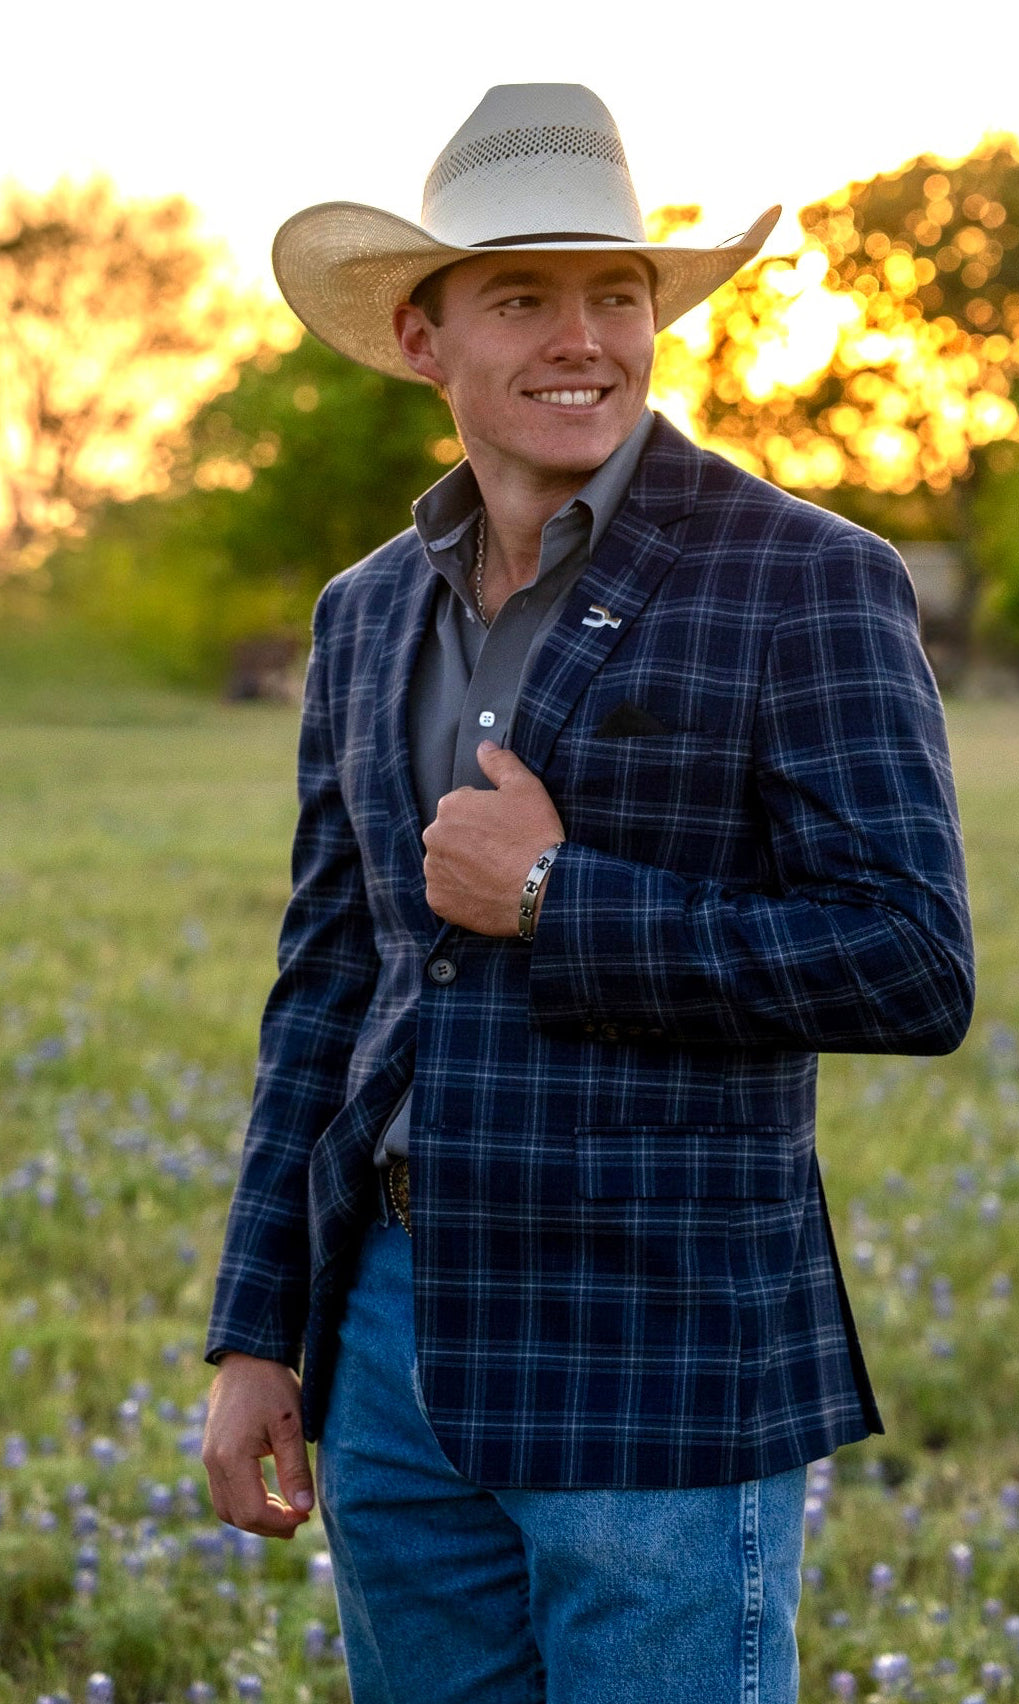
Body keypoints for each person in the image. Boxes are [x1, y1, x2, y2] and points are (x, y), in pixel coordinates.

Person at [202, 82, 974, 1704]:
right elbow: (325, 989)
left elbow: (911, 961)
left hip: (663, 1344)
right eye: (524, 297)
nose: (586, 340)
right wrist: (259, 1329)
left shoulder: (806, 576)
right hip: (396, 1334)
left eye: (616, 295)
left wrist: (556, 891)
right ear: (425, 336)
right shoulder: (362, 615)